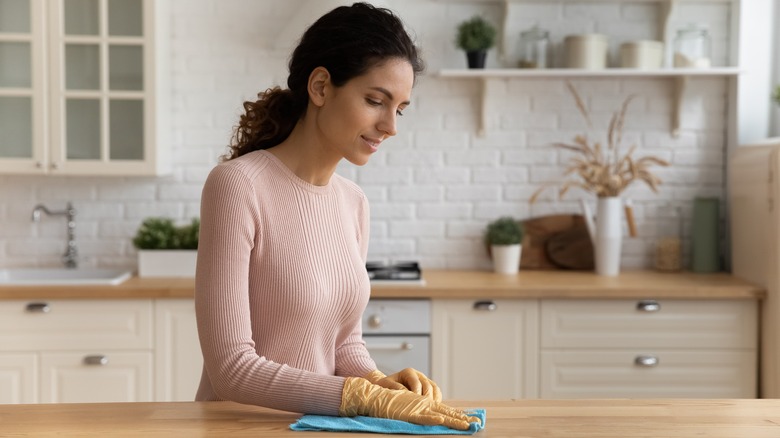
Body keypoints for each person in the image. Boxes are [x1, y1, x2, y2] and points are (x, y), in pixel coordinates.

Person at [195, 2, 479, 431]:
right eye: (375, 101)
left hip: (321, 426)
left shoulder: (353, 202)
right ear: (321, 87)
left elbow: (343, 344)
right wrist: (361, 397)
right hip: (240, 427)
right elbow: (231, 368)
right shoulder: (237, 186)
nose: (390, 126)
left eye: (399, 109)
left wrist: (379, 381)